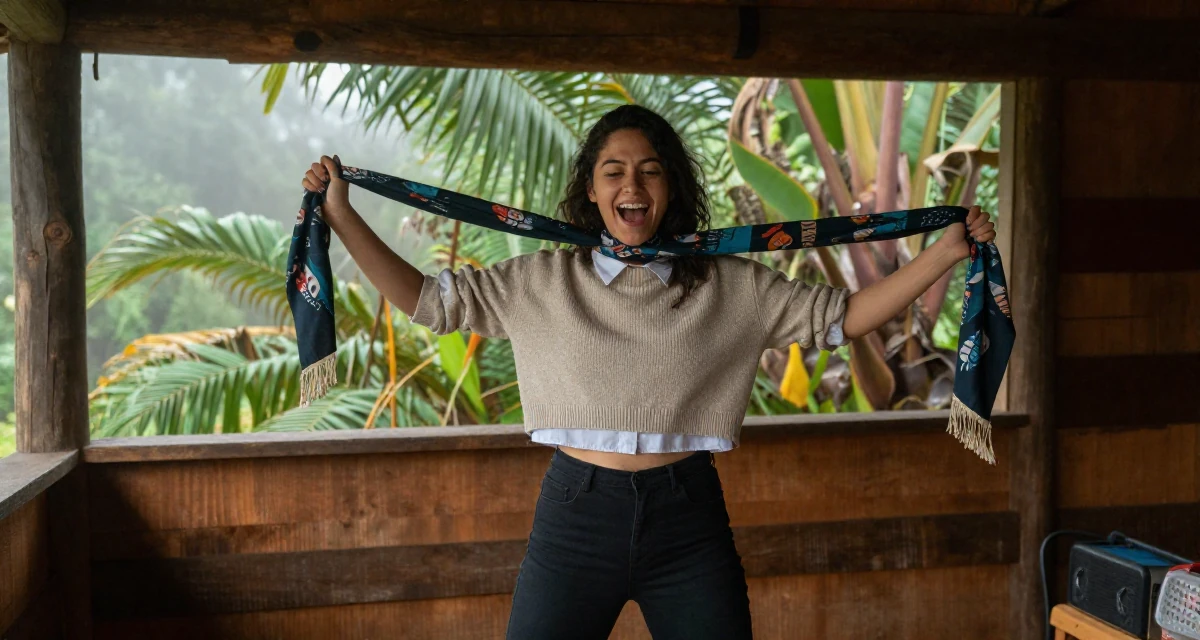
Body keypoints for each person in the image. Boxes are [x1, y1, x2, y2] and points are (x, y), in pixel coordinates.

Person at [301, 104, 995, 640]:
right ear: (593, 191)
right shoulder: (543, 278)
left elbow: (839, 319)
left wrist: (945, 254)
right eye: (614, 171)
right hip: (575, 519)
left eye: (650, 169)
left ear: (671, 188)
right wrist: (342, 213)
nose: (632, 184)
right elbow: (426, 300)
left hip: (687, 520)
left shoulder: (731, 284)